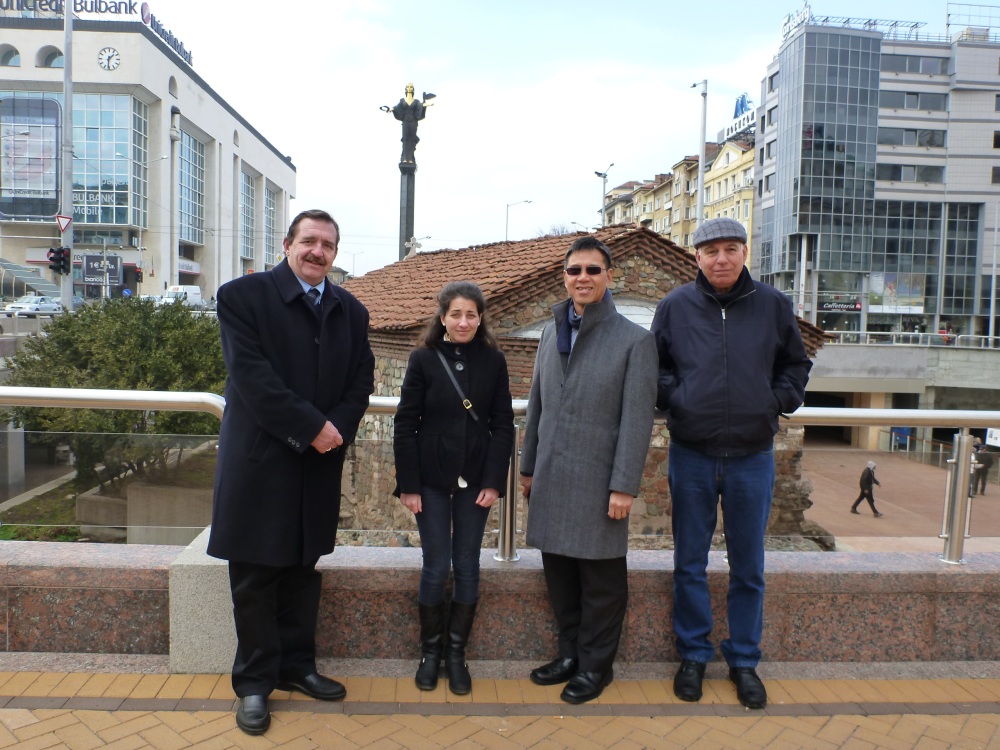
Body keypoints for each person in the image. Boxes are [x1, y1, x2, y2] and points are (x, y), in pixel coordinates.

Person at [207, 209, 375, 735]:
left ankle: (298, 666)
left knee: (304, 568)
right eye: (309, 241)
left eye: (327, 244)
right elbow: (252, 377)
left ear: (335, 253)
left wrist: (336, 429)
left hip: (318, 462)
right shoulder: (242, 297)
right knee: (255, 576)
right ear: (287, 244)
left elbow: (362, 378)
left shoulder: (351, 311)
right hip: (260, 461)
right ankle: (255, 684)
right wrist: (312, 427)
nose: (317, 251)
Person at [651, 217, 811, 710]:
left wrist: (774, 401)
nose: (721, 258)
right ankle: (693, 655)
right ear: (696, 257)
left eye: (730, 249)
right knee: (689, 562)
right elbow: (656, 366)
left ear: (744, 253)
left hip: (752, 456)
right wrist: (678, 399)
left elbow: (796, 364)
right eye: (711, 250)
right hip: (691, 453)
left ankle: (744, 660)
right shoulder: (675, 306)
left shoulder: (772, 304)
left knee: (749, 566)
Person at [520, 236, 657, 704]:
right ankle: (570, 655)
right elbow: (537, 405)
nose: (583, 278)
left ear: (609, 276)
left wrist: (624, 486)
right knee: (559, 576)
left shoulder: (635, 341)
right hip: (552, 476)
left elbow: (637, 421)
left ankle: (596, 667)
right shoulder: (549, 332)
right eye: (575, 270)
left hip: (600, 483)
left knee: (601, 583)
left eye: (593, 270)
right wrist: (528, 466)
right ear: (564, 277)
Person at [393, 281, 514, 695]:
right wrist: (408, 485)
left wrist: (494, 481)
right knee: (435, 563)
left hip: (476, 479)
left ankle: (457, 655)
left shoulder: (494, 361)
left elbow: (503, 425)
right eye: (456, 314)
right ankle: (430, 654)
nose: (464, 322)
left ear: (480, 319)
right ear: (442, 317)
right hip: (429, 478)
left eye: (471, 315)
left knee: (466, 563)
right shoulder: (424, 359)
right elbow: (405, 424)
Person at [385, 83, 434, 164]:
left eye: (411, 87)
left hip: (413, 122)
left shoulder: (416, 101)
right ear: (406, 89)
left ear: (413, 89)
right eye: (408, 87)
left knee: (412, 139)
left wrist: (427, 104)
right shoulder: (402, 101)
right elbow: (396, 107)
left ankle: (411, 158)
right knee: (405, 139)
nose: (409, 88)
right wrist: (391, 109)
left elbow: (420, 106)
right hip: (405, 122)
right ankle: (404, 158)